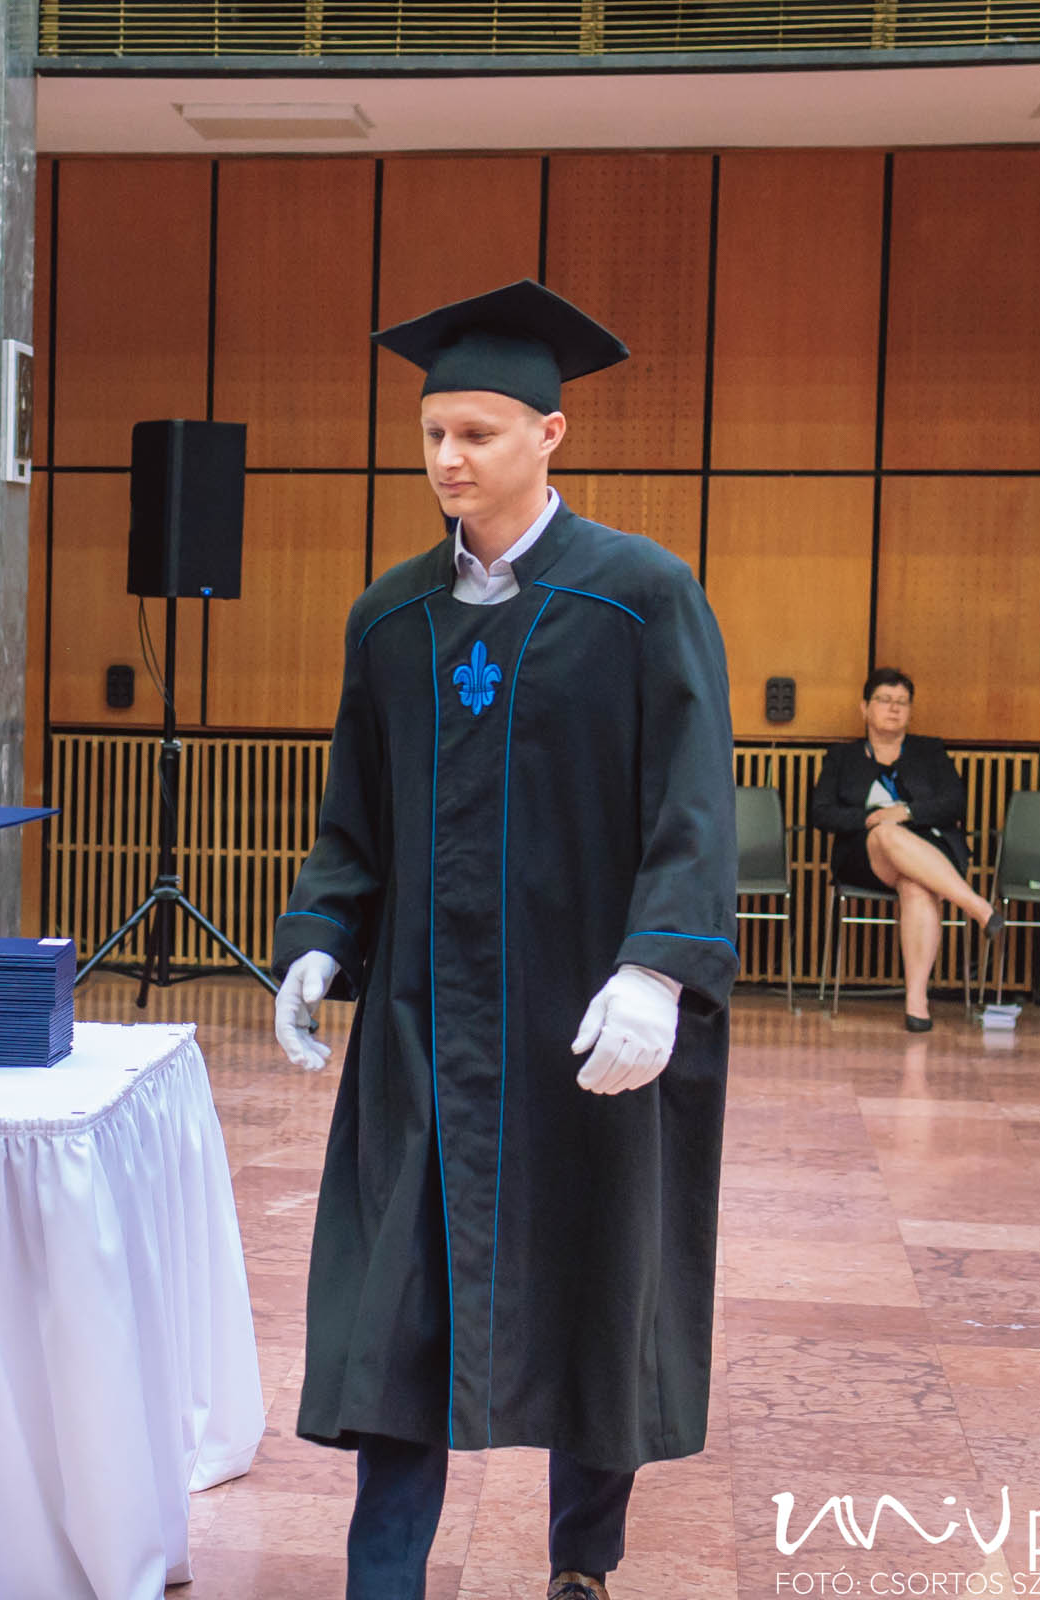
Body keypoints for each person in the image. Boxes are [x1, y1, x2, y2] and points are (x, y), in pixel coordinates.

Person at [270, 279, 737, 1600]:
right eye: (432, 434)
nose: (447, 459)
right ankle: (384, 1577)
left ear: (550, 435)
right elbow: (355, 816)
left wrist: (657, 968)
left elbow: (693, 805)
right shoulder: (391, 617)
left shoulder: (640, 598)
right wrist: (320, 935)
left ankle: (582, 1562)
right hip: (426, 1025)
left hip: (585, 1016)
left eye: (475, 433)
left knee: (598, 1287)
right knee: (395, 1310)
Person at [808, 666, 1000, 1030]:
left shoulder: (930, 751)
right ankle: (976, 905)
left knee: (915, 886)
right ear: (864, 708)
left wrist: (907, 812)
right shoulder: (841, 757)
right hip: (865, 856)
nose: (894, 708)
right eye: (884, 700)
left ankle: (917, 1004)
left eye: (902, 702)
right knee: (886, 834)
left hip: (930, 850)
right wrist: (871, 819)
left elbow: (955, 803)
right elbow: (821, 812)